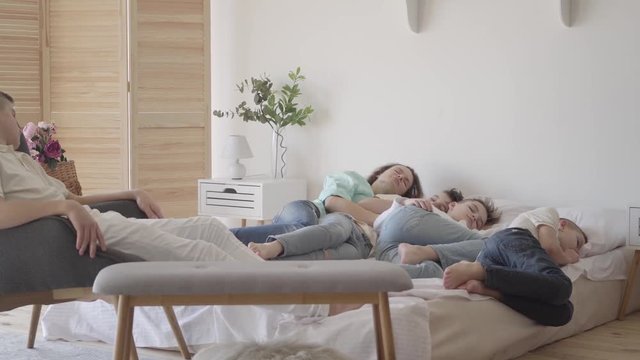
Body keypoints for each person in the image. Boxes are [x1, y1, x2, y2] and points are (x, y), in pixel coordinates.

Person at [442, 207, 587, 326]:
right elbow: (549, 247)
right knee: (562, 287)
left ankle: (489, 290)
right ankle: (480, 271)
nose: (576, 252)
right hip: (512, 239)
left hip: (500, 265)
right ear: (562, 225)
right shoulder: (550, 214)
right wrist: (567, 257)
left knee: (564, 312)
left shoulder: (542, 258)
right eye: (578, 243)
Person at [247, 188, 464, 261]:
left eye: (442, 207)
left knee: (330, 257)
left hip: (365, 248)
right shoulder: (402, 202)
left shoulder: (441, 228)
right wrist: (404, 202)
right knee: (334, 232)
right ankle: (274, 247)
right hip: (351, 223)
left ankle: (269, 264)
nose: (433, 205)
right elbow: (364, 203)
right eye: (435, 198)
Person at [231, 164, 424, 245]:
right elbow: (332, 202)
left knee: (305, 240)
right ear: (381, 172)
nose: (400, 177)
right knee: (303, 228)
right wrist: (378, 220)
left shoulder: (387, 206)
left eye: (405, 181)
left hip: (323, 232)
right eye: (398, 171)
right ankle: (228, 236)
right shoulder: (353, 178)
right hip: (308, 211)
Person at [374, 196, 501, 279]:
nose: (474, 217)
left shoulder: (463, 234)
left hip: (386, 245)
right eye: (472, 209)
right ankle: (423, 251)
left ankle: (363, 281)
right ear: (452, 205)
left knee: (433, 271)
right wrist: (405, 200)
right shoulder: (433, 210)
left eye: (478, 222)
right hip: (409, 218)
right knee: (489, 245)